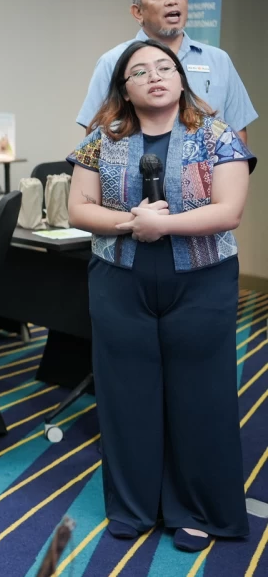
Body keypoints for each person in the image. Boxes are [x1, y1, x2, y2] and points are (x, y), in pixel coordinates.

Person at [67, 39, 253, 552]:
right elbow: (78, 209)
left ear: (181, 77)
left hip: (202, 280)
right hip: (118, 279)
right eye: (140, 71)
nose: (155, 76)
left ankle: (195, 510)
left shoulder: (217, 135)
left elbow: (229, 209)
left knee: (199, 396)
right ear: (123, 89)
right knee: (126, 394)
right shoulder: (103, 138)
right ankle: (132, 505)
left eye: (164, 67)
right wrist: (133, 223)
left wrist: (163, 228)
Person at [77, 0, 256, 144]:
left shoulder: (218, 60)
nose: (172, 1)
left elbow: (237, 133)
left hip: (209, 170)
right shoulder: (113, 61)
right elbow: (94, 137)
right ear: (138, 12)